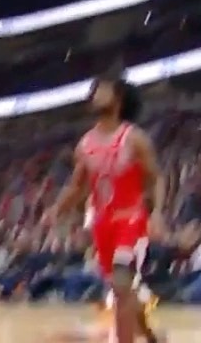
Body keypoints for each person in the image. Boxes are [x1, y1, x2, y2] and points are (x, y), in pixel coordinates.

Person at [45, 76, 166, 343]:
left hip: (131, 219)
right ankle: (151, 336)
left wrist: (157, 212)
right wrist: (56, 209)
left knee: (122, 286)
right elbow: (76, 187)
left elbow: (156, 177)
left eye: (103, 91)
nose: (96, 94)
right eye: (95, 91)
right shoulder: (85, 144)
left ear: (119, 99)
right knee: (122, 291)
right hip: (103, 224)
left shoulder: (133, 138)